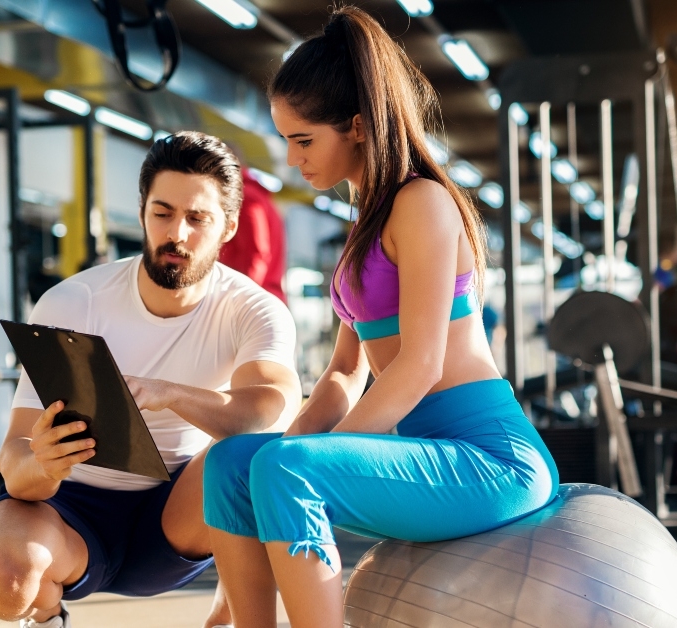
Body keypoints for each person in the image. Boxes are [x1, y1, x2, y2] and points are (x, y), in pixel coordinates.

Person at [200, 8, 559, 628]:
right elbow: (344, 374)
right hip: (423, 450)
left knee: (287, 470)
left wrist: (312, 462)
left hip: (489, 459)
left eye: (303, 140)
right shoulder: (364, 225)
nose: (291, 158)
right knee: (232, 464)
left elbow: (421, 366)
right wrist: (290, 453)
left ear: (359, 127)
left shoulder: (422, 202)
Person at [0, 131, 302, 628]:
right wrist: (43, 463)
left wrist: (169, 393)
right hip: (67, 508)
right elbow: (13, 462)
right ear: (142, 211)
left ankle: (234, 613)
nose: (177, 234)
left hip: (176, 519)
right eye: (162, 213)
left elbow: (272, 406)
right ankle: (46, 614)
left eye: (197, 219)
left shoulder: (253, 309)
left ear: (228, 227)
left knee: (254, 454)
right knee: (6, 579)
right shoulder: (73, 302)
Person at [219, 165, 287, 303]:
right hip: (263, 296)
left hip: (252, 302)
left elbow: (255, 254)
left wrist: (240, 301)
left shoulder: (245, 197)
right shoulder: (258, 195)